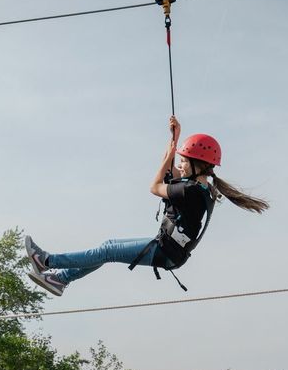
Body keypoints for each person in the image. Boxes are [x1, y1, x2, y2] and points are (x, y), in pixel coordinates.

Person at [25, 116, 268, 296]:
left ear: (197, 165)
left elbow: (155, 186)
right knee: (108, 248)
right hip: (169, 249)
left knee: (108, 250)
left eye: (184, 161)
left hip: (166, 251)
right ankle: (60, 280)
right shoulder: (201, 188)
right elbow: (170, 170)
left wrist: (170, 151)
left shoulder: (189, 190)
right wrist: (173, 140)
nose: (180, 166)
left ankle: (47, 262)